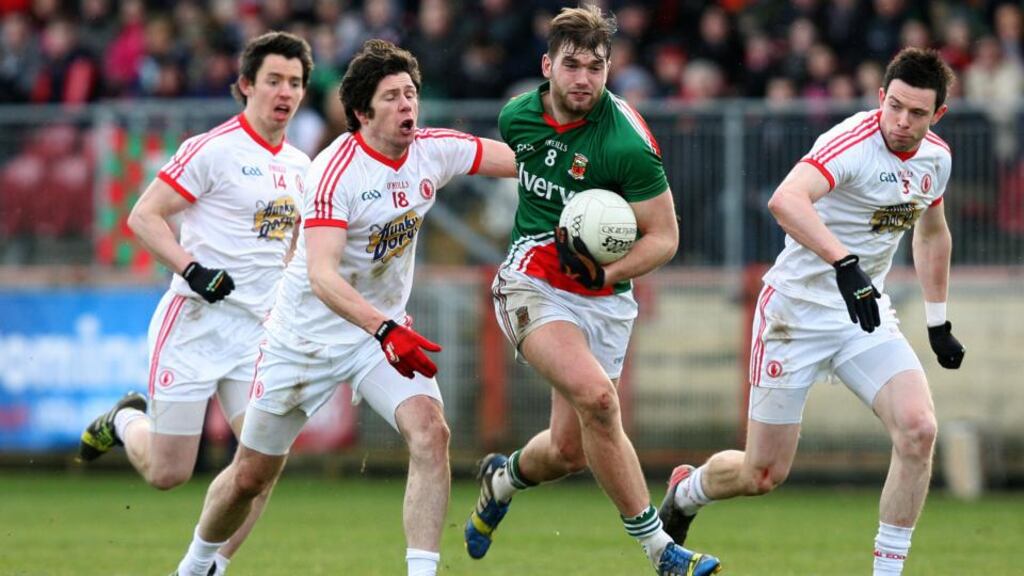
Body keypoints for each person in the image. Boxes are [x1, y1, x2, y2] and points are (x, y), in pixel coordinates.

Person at [169, 39, 516, 576]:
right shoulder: (334, 172)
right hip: (303, 338)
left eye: (411, 94)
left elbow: (518, 163)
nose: (408, 106)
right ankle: (196, 566)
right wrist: (385, 328)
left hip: (374, 338)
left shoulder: (432, 148)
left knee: (431, 432)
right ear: (362, 112)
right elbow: (322, 274)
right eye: (393, 97)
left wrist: (577, 175)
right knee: (250, 477)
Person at [659, 48, 965, 576]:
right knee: (762, 474)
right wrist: (845, 265)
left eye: (917, 113)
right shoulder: (851, 143)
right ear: (880, 98)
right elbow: (786, 199)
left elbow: (932, 232)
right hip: (794, 315)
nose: (901, 121)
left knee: (919, 431)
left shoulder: (936, 158)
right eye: (894, 106)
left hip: (862, 314)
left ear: (937, 115)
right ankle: (687, 491)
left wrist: (938, 321)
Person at [462, 6, 721, 576]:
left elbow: (665, 237)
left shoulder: (626, 143)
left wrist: (603, 273)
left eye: (597, 67)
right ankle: (663, 552)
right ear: (547, 65)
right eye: (572, 65)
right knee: (601, 402)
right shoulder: (517, 117)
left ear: (610, 69)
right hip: (529, 283)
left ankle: (500, 481)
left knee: (568, 450)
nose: (584, 79)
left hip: (602, 297)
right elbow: (529, 164)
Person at [77, 31, 313, 576]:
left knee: (263, 463)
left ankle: (210, 566)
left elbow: (295, 247)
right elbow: (143, 215)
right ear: (246, 85)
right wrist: (191, 268)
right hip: (196, 323)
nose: (285, 92)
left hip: (257, 334)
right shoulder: (213, 149)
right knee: (167, 473)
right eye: (274, 80)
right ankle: (127, 419)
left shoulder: (303, 166)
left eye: (295, 83)